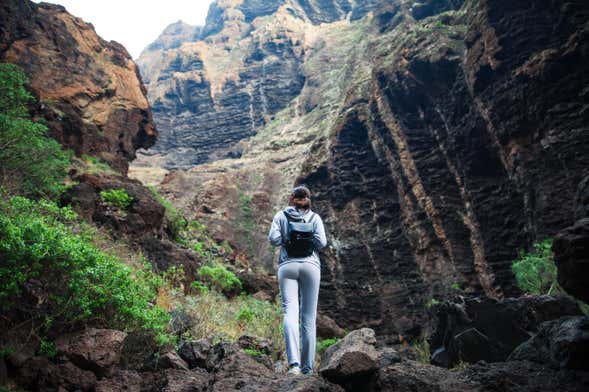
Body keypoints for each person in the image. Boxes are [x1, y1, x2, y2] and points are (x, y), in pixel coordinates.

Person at [268, 185, 327, 375]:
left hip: (287, 266)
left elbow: (273, 239)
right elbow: (321, 243)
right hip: (311, 266)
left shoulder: (281, 215)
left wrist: (287, 237)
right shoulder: (315, 217)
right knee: (309, 318)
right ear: (308, 199)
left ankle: (294, 366)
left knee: (290, 313)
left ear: (292, 198)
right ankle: (307, 369)